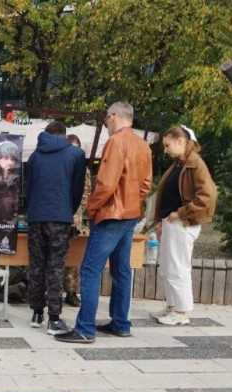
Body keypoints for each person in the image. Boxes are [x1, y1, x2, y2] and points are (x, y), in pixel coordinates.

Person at [57, 102, 152, 343]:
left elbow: (106, 184)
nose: (106, 124)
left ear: (114, 116)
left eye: (107, 120)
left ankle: (85, 329)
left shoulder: (115, 142)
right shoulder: (143, 145)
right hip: (130, 215)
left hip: (110, 215)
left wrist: (92, 207)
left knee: (90, 270)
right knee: (122, 271)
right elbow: (145, 186)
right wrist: (133, 203)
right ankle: (121, 323)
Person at [25, 121, 87, 334]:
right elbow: (77, 189)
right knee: (55, 266)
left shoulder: (34, 156)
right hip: (60, 217)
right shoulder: (76, 155)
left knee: (36, 266)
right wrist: (68, 209)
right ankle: (54, 318)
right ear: (64, 134)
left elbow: (28, 187)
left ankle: (36, 312)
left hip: (35, 216)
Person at [152, 125, 217, 325]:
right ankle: (173, 306)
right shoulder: (181, 163)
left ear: (180, 141)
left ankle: (181, 311)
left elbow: (208, 197)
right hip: (172, 222)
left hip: (182, 223)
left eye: (167, 145)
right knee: (168, 266)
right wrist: (161, 219)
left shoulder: (195, 164)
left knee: (178, 266)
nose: (165, 150)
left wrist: (180, 213)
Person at [63, 134, 92, 308]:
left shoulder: (84, 170)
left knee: (72, 259)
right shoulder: (61, 164)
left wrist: (77, 214)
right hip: (58, 217)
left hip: (75, 220)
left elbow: (86, 195)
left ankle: (72, 292)